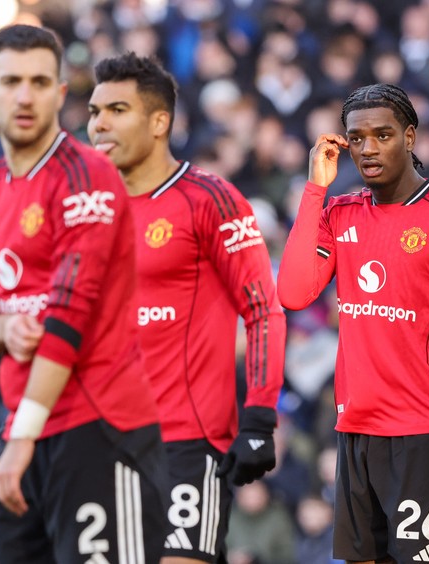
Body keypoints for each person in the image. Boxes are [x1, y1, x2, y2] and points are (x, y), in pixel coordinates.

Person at [277, 83, 429, 563]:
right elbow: (293, 293)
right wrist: (315, 188)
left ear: (409, 137)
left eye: (382, 135)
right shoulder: (340, 212)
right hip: (356, 432)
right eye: (357, 138)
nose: (367, 148)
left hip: (428, 435)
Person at [0, 25, 167, 563]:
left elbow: (70, 315)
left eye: (38, 81)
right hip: (23, 433)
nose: (24, 95)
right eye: (11, 81)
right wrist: (2, 328)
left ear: (59, 92)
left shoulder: (87, 176)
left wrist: (22, 434)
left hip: (99, 426)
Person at [87, 52, 286, 564]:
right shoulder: (88, 207)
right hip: (99, 442)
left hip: (186, 439)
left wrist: (260, 417)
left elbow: (263, 308)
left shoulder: (210, 199)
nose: (99, 124)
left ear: (159, 122)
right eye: (94, 111)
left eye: (117, 110)